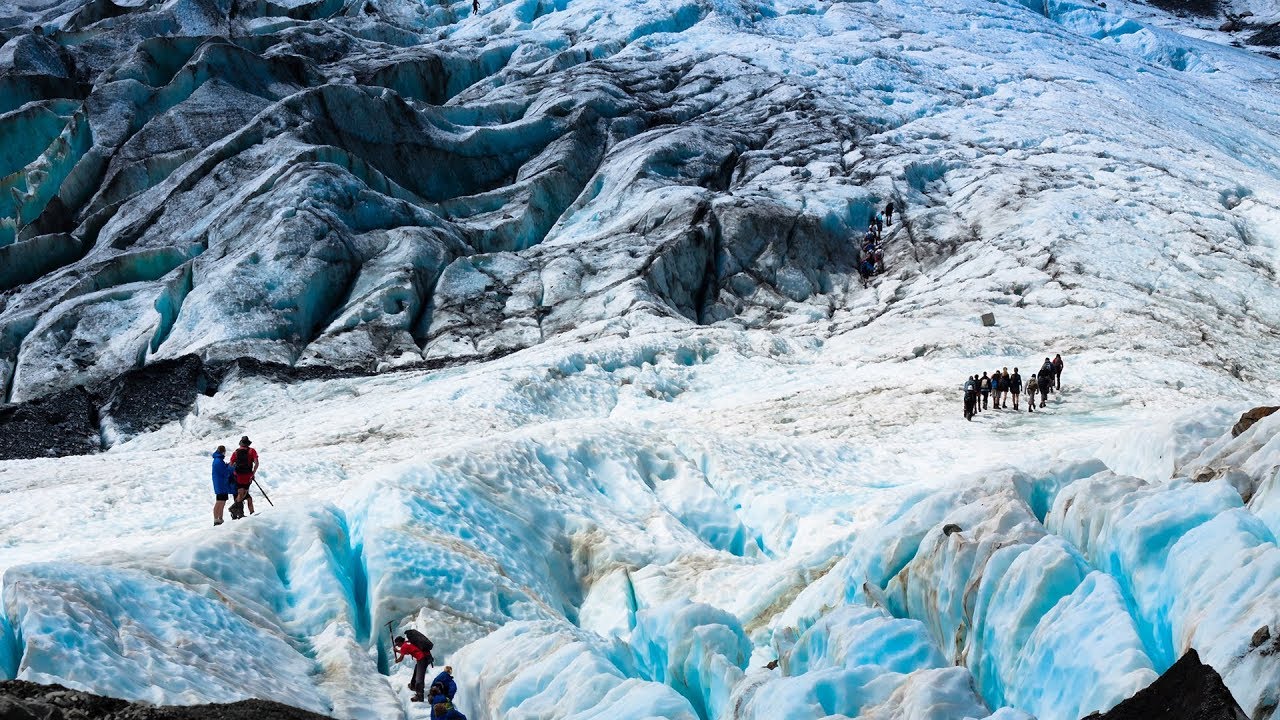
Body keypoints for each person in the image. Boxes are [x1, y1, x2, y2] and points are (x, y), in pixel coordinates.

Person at [394, 632, 434, 702]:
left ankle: (419, 696)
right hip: (425, 657)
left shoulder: (404, 646)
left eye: (397, 644)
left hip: (423, 659)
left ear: (400, 642)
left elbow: (401, 658)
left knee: (419, 678)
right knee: (416, 671)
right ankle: (413, 686)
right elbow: (406, 651)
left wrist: (397, 660)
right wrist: (397, 651)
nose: (397, 646)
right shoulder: (407, 642)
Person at [229, 436, 259, 519]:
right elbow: (256, 463)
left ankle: (235, 510)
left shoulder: (236, 452)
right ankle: (234, 509)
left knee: (240, 493)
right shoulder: (252, 451)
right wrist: (253, 473)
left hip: (238, 476)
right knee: (244, 493)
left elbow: (231, 465)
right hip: (248, 476)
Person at [211, 446, 236, 526]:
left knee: (223, 502)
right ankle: (216, 519)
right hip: (220, 484)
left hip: (222, 484)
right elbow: (225, 472)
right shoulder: (218, 461)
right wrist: (230, 467)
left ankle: (220, 518)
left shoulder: (219, 460)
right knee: (219, 502)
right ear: (223, 452)